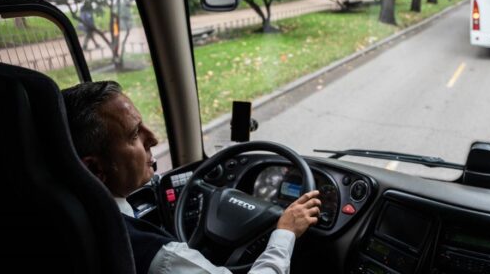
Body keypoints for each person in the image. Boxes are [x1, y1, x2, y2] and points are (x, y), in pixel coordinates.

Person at [62, 81, 321, 274]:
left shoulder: (62, 213)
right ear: (95, 169)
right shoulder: (158, 257)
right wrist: (285, 232)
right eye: (134, 134)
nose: (153, 138)